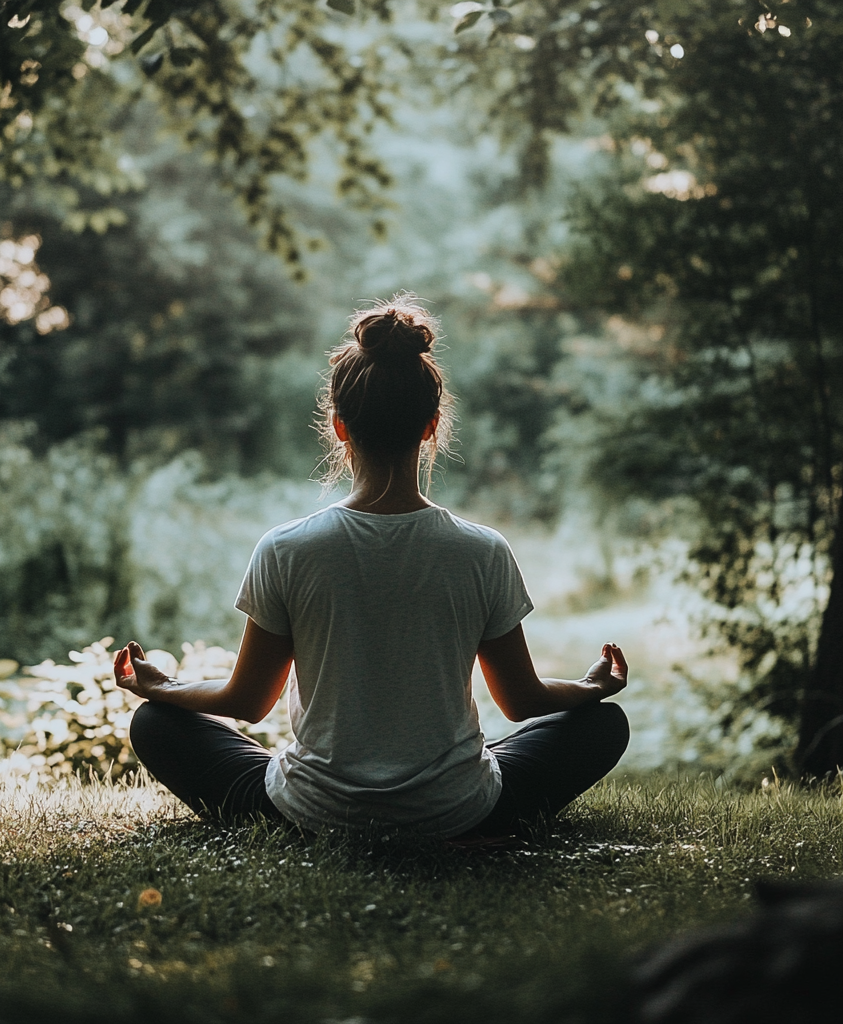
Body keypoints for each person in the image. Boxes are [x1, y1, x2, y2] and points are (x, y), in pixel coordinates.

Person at [115, 294, 629, 840]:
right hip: (456, 813)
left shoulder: (286, 548)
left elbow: (247, 702)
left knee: (154, 725)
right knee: (603, 726)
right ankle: (448, 798)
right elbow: (522, 701)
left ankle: (326, 808)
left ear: (339, 427)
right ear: (431, 426)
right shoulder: (484, 551)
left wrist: (161, 687)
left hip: (313, 814)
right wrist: (590, 687)